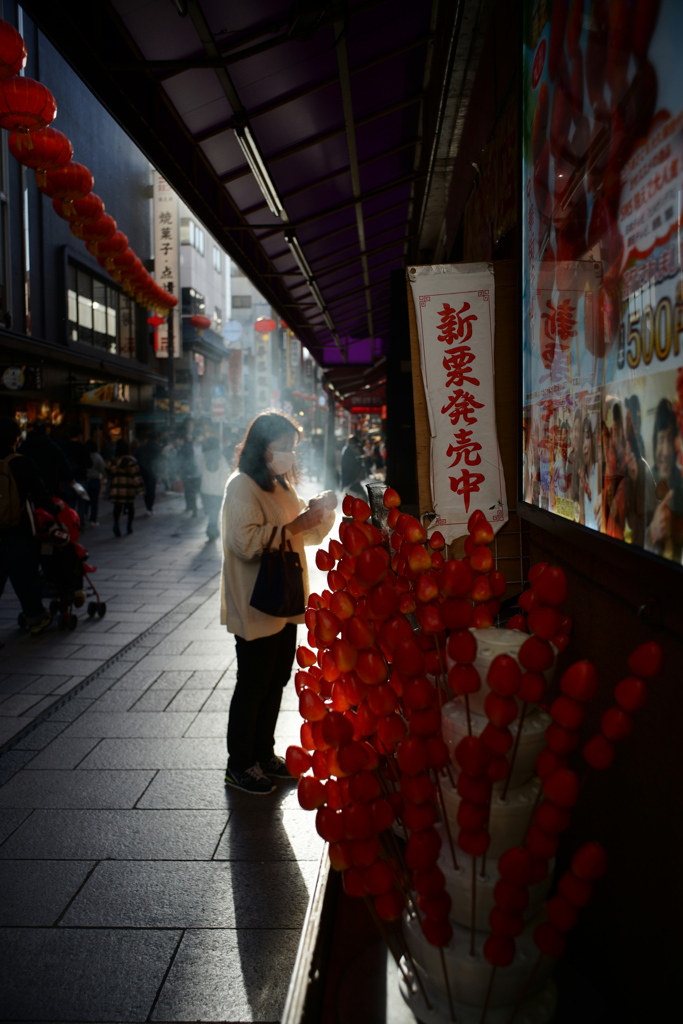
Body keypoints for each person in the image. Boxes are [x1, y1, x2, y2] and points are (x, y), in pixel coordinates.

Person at [221, 411, 336, 795]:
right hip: (256, 601)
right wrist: (295, 527)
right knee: (253, 683)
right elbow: (245, 542)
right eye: (283, 447)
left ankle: (263, 754)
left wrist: (321, 510)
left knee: (275, 681)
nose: (289, 455)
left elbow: (307, 532)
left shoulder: (278, 485)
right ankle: (239, 764)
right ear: (263, 446)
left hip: (284, 599)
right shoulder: (242, 486)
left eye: (292, 448)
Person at [0, 417, 58, 634]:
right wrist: (56, 512)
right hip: (17, 531)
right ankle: (36, 619)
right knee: (25, 579)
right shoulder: (21, 462)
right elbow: (40, 495)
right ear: (16, 438)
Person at [607, 411, 655, 547]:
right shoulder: (626, 481)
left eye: (628, 454)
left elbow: (644, 520)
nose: (626, 459)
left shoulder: (645, 477)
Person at [646, 398, 683, 561]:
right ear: (655, 442)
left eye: (670, 439)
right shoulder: (647, 480)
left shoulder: (681, 480)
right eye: (661, 439)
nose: (666, 451)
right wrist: (652, 533)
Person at [18, 420, 73, 498]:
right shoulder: (51, 446)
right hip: (49, 483)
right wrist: (69, 478)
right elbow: (62, 462)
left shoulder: (24, 446)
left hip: (29, 485)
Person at [108, 439, 145, 537]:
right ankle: (129, 527)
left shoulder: (114, 460)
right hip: (128, 487)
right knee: (130, 506)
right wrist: (140, 488)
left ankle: (116, 524)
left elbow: (109, 471)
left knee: (117, 507)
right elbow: (136, 475)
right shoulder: (132, 460)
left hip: (117, 487)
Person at [199, 436, 228, 541]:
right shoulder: (221, 458)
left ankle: (212, 529)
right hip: (218, 491)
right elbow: (225, 474)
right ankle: (211, 530)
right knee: (215, 511)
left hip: (205, 489)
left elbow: (199, 470)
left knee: (211, 511)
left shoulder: (202, 457)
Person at [577, 415, 600, 531]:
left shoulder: (598, 471)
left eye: (587, 437)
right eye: (582, 442)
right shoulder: (583, 477)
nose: (585, 446)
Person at [136, 432, 162, 515]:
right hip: (153, 471)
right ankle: (150, 507)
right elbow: (159, 461)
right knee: (152, 490)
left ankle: (148, 506)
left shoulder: (142, 447)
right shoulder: (157, 448)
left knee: (146, 490)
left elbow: (137, 457)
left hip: (144, 471)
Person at [176, 433, 200, 516]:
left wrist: (179, 472)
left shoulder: (183, 448)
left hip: (188, 474)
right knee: (193, 492)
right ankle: (193, 509)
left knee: (189, 492)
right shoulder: (193, 447)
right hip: (195, 473)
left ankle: (191, 507)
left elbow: (179, 462)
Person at [85, 439, 106, 526]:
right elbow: (103, 468)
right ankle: (93, 520)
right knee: (94, 501)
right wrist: (105, 476)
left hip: (85, 479)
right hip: (94, 480)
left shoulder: (84, 456)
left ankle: (84, 516)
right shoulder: (97, 457)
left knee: (85, 501)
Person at [340, 434, 367, 498]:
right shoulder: (348, 451)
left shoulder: (348, 449)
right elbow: (351, 464)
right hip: (350, 479)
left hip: (351, 479)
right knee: (363, 497)